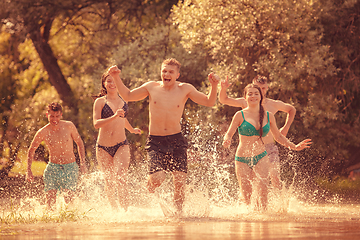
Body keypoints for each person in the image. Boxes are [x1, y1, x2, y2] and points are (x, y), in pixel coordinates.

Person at [108, 58, 219, 214]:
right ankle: (150, 182)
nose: (166, 74)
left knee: (179, 181)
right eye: (164, 71)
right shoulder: (151, 87)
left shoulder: (185, 89)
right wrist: (116, 76)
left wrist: (214, 86)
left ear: (177, 75)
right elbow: (127, 95)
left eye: (170, 72)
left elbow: (209, 102)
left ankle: (178, 214)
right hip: (156, 141)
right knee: (158, 179)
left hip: (176, 139)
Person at [222, 84, 311, 211]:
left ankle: (263, 225)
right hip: (242, 159)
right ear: (245, 97)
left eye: (256, 93)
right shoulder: (239, 115)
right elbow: (229, 133)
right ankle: (248, 225)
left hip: (261, 157)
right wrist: (227, 139)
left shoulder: (269, 116)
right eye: (250, 94)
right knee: (247, 196)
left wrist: (294, 146)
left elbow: (278, 137)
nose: (253, 96)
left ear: (261, 97)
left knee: (263, 194)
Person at [219, 75, 296, 190]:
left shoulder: (273, 104)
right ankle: (253, 204)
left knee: (275, 176)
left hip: (269, 147)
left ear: (267, 88)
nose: (261, 91)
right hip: (250, 150)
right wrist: (223, 88)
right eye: (258, 88)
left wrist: (286, 127)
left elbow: (291, 109)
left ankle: (278, 204)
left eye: (263, 88)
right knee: (254, 183)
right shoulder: (245, 101)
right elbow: (223, 100)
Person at [93, 72, 141, 210]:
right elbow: (96, 124)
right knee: (109, 182)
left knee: (121, 177)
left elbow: (122, 119)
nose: (112, 84)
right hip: (103, 147)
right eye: (109, 81)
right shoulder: (100, 102)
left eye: (114, 81)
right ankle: (114, 210)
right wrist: (114, 116)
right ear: (104, 84)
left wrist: (131, 130)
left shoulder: (124, 100)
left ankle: (125, 211)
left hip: (121, 144)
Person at [26, 102, 87, 210]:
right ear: (47, 115)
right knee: (50, 203)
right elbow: (31, 150)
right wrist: (29, 170)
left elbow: (80, 143)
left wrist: (83, 163)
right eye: (52, 116)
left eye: (57, 116)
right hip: (52, 168)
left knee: (69, 201)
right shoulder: (43, 132)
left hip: (70, 167)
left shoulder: (69, 126)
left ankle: (69, 224)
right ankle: (51, 225)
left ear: (61, 115)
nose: (55, 119)